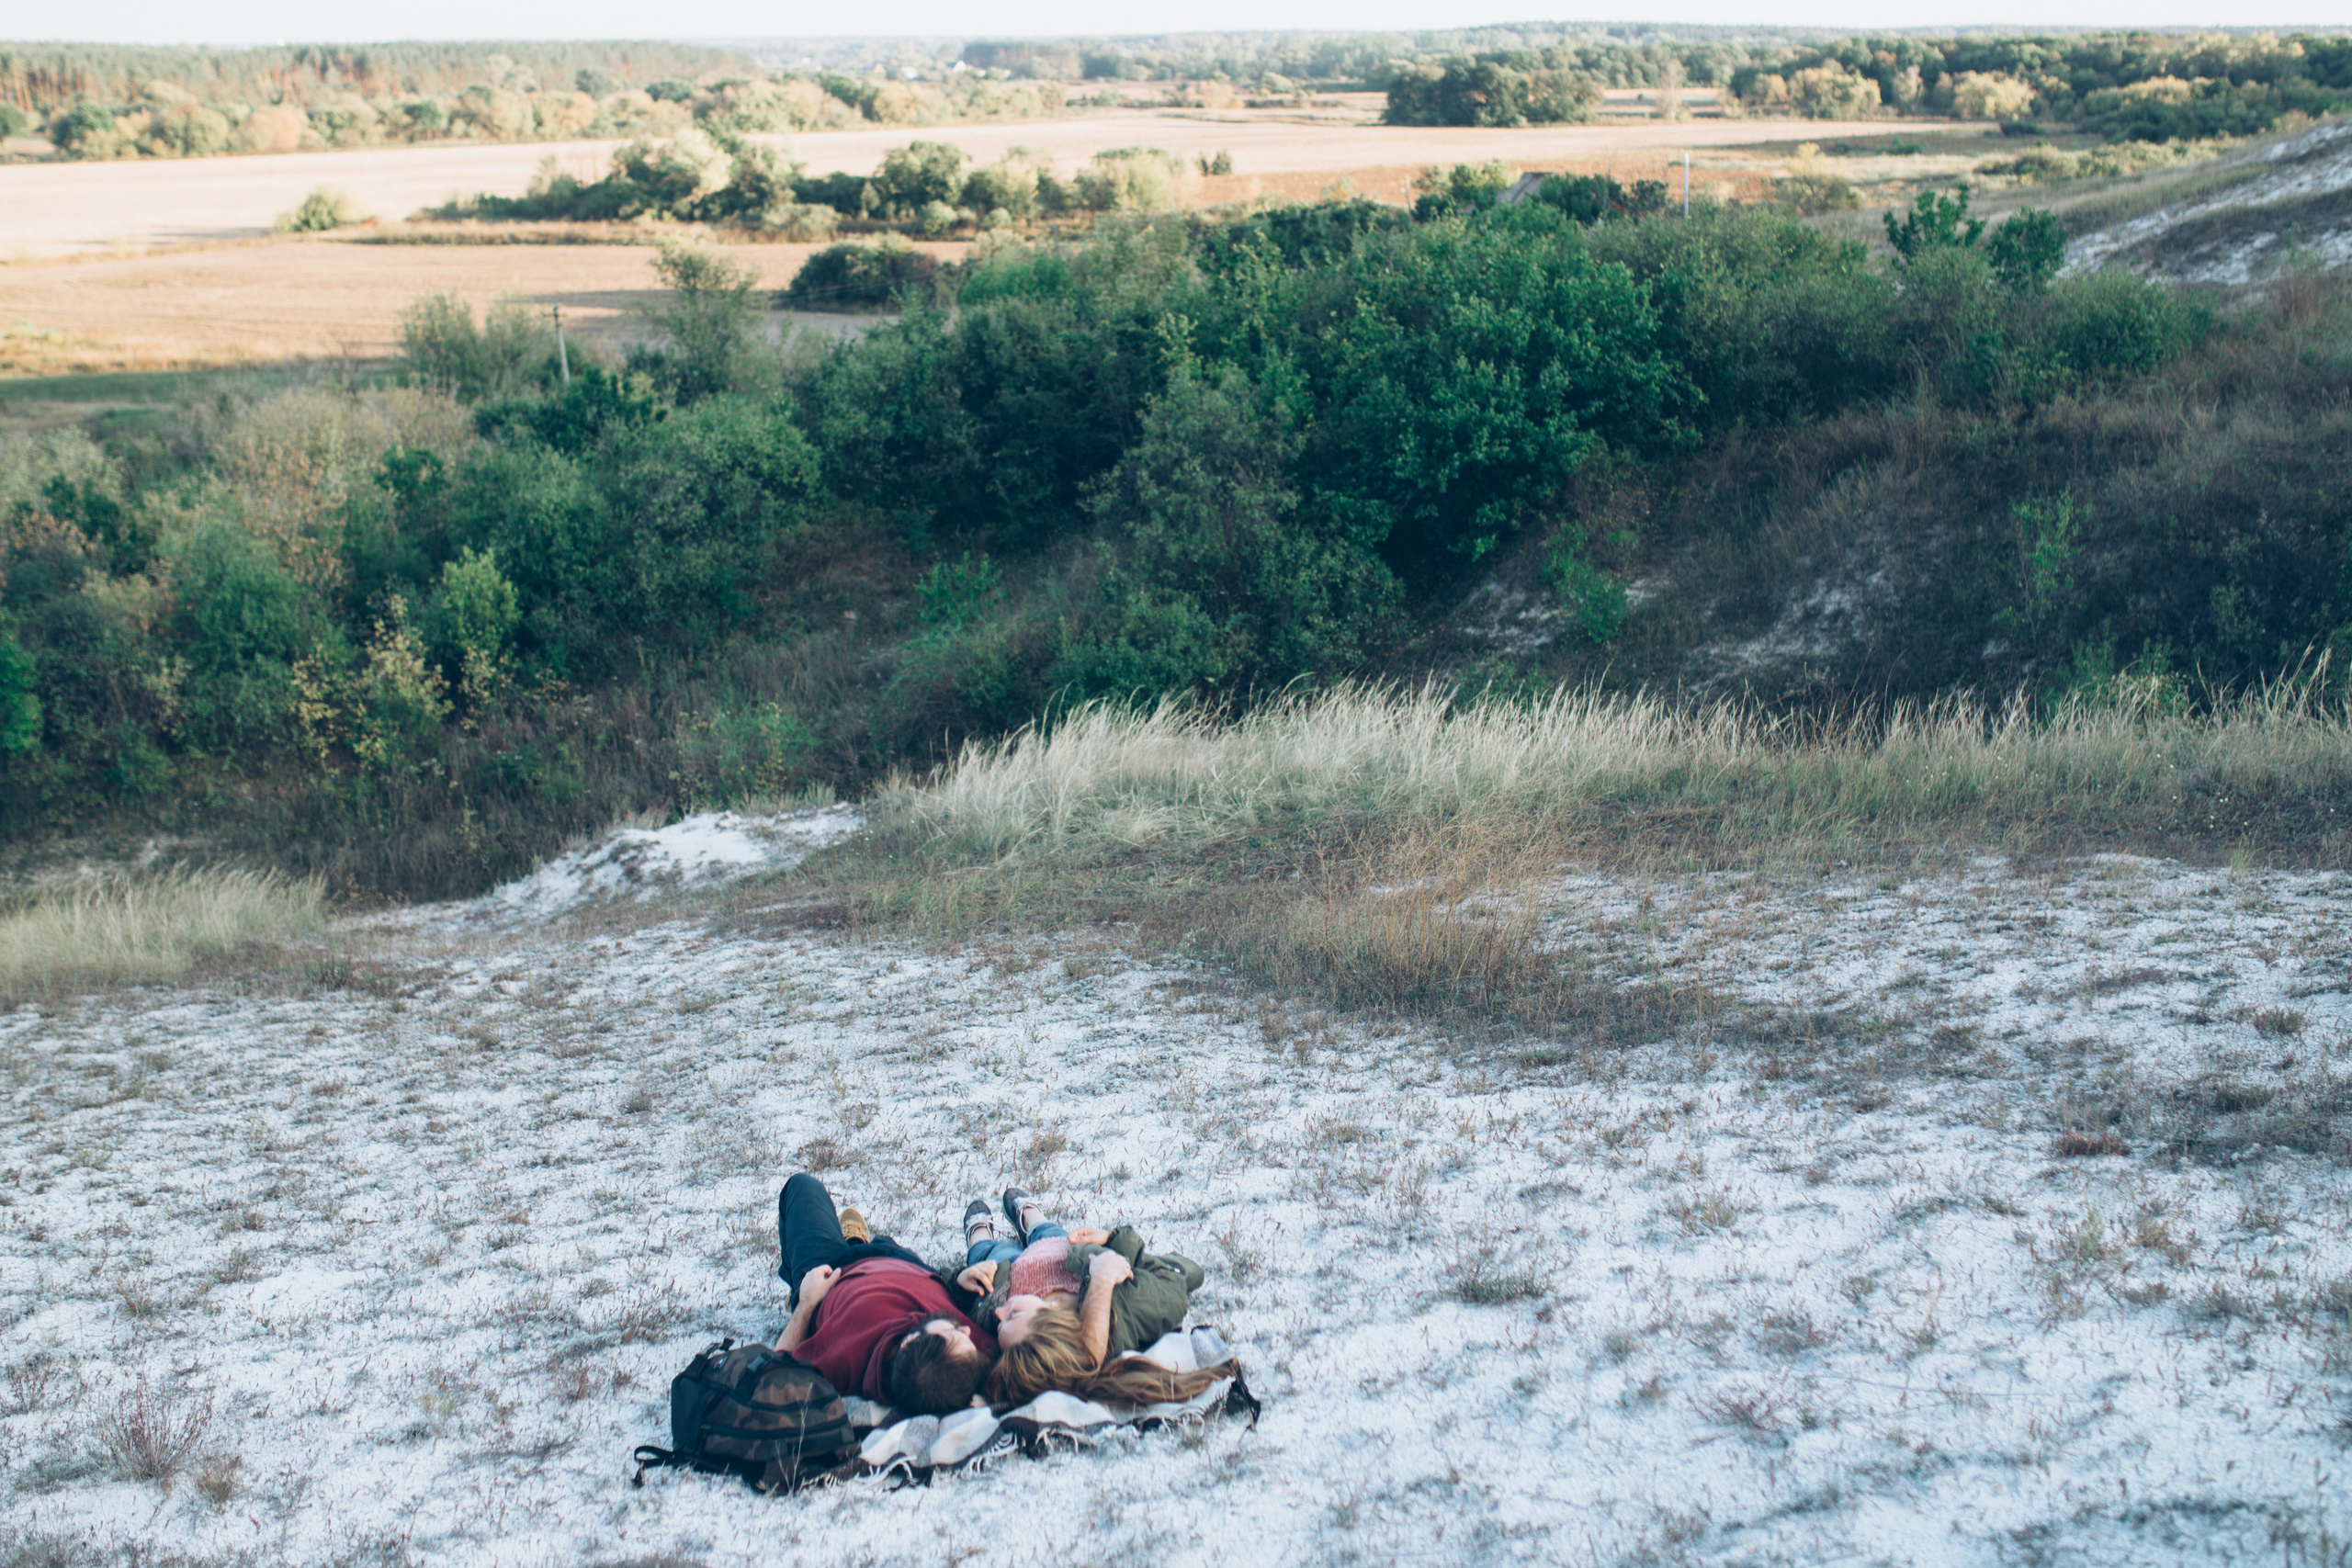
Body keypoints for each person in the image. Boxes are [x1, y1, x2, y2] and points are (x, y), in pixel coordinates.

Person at [954, 1188, 1227, 1408]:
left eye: (1001, 1323)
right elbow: (1171, 1284)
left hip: (1007, 1271)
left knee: (993, 1252)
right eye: (1012, 1316)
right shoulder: (1124, 1307)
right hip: (1061, 1249)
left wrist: (961, 1282)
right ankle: (1033, 1221)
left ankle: (981, 1239)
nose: (999, 1314)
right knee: (1049, 1232)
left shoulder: (1009, 1336)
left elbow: (944, 1300)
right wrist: (1112, 1242)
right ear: (1053, 1317)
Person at [773, 1171, 996, 1415]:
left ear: (909, 1342)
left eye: (952, 1334)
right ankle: (856, 1241)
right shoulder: (969, 1359)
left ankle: (844, 1250)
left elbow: (769, 1379)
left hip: (829, 1271)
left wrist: (806, 1302)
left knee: (801, 1186)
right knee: (883, 1242)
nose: (965, 1329)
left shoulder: (841, 1364)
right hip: (903, 1261)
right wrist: (957, 1283)